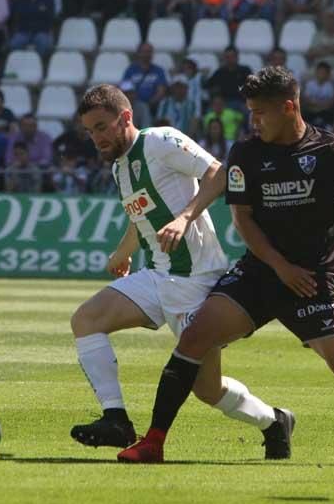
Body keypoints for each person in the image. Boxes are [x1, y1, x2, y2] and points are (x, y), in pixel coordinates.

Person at [116, 66, 334, 465]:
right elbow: (242, 219)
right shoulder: (246, 153)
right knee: (193, 339)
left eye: (260, 113)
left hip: (311, 283)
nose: (253, 121)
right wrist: (278, 265)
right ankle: (154, 441)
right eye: (250, 112)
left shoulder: (332, 150)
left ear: (289, 107)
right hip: (261, 273)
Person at [69, 83, 289, 456]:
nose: (97, 138)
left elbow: (219, 173)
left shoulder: (161, 141)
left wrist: (186, 217)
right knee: (86, 320)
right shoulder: (120, 167)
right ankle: (116, 420)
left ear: (126, 117)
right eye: (90, 132)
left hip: (197, 282)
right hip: (157, 276)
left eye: (102, 127)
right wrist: (121, 253)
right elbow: (141, 218)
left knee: (208, 390)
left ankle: (274, 420)